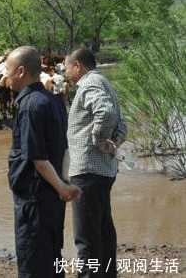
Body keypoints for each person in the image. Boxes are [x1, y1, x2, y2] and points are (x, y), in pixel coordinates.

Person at [5, 46, 81, 278]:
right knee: (51, 256)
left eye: (7, 70)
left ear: (20, 71)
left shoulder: (30, 106)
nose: (5, 76)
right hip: (51, 199)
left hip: (34, 200)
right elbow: (65, 147)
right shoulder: (53, 100)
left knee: (33, 261)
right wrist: (63, 182)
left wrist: (63, 188)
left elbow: (38, 159)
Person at [65, 48, 127, 278]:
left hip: (87, 170)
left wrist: (99, 140)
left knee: (86, 237)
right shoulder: (105, 83)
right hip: (104, 170)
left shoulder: (89, 84)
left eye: (66, 67)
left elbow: (106, 112)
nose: (65, 72)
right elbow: (122, 122)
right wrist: (114, 143)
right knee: (103, 231)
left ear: (78, 66)